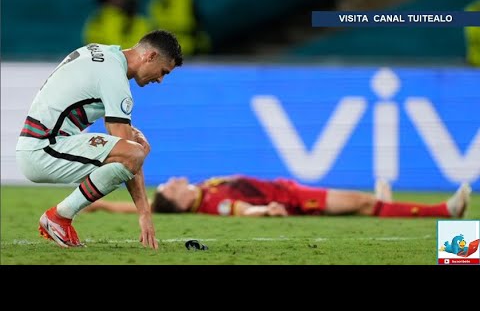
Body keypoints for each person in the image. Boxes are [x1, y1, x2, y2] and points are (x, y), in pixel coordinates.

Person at [15, 30, 183, 249]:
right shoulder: (114, 77)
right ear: (150, 56)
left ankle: (59, 218)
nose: (160, 80)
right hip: (43, 149)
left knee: (131, 147)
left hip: (39, 142)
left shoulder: (101, 53)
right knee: (133, 154)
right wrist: (144, 213)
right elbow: (128, 153)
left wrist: (131, 132)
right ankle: (59, 217)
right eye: (163, 72)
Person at [83, 175, 472, 218]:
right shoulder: (211, 202)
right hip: (296, 200)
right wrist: (264, 212)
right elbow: (239, 209)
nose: (173, 181)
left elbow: (150, 207)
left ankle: (381, 199)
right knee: (365, 205)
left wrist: (104, 204)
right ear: (182, 202)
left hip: (291, 191)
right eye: (171, 187)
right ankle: (445, 211)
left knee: (365, 202)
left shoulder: (201, 191)